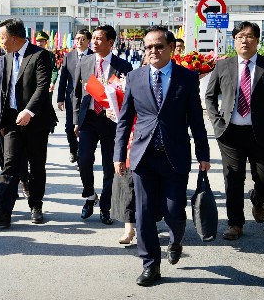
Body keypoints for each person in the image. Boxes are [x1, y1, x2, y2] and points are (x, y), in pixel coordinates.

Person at [114, 26, 210, 286]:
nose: (153, 51)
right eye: (148, 47)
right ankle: (150, 265)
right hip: (143, 155)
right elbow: (124, 121)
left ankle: (176, 239)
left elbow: (196, 121)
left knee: (173, 210)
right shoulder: (135, 77)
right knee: (144, 213)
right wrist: (118, 154)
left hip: (175, 154)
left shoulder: (187, 78)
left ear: (170, 49)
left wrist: (203, 153)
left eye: (158, 46)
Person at [205, 21, 264, 241]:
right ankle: (235, 223)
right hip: (230, 134)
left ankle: (258, 199)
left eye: (249, 36)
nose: (244, 40)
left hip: (260, 132)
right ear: (234, 41)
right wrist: (216, 122)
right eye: (240, 36)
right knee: (232, 179)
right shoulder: (223, 66)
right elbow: (210, 96)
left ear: (257, 40)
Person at [0, 18, 57, 227]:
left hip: (36, 121)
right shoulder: (5, 58)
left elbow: (42, 87)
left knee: (37, 165)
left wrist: (29, 111)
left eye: (3, 38)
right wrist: (2, 121)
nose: (0, 42)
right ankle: (4, 211)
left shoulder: (39, 55)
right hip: (13, 122)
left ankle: (36, 205)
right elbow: (3, 92)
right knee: (9, 166)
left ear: (14, 38)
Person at [74, 26, 133, 225]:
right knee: (83, 160)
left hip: (112, 122)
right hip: (89, 119)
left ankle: (105, 207)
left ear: (110, 43)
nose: (95, 42)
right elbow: (76, 93)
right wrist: (75, 120)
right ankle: (90, 196)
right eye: (95, 38)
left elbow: (128, 98)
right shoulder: (85, 62)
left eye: (100, 39)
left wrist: (117, 111)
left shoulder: (123, 66)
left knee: (110, 166)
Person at [57, 29, 93, 164]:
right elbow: (63, 79)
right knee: (69, 128)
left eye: (83, 39)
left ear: (88, 41)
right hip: (71, 98)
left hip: (88, 97)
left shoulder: (93, 56)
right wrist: (60, 98)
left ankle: (82, 157)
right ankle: (73, 149)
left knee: (84, 128)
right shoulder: (69, 56)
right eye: (77, 38)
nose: (79, 41)